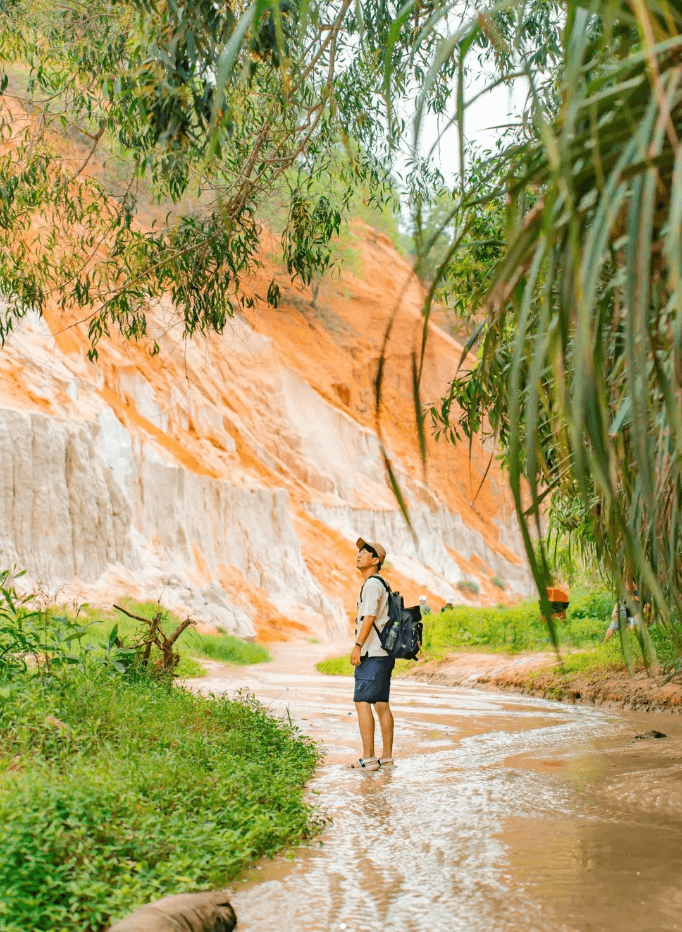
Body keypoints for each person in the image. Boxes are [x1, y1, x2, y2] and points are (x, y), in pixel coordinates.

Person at [348, 537, 395, 771]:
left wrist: (357, 645)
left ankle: (368, 758)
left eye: (365, 552)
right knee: (382, 704)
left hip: (373, 653)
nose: (358, 555)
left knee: (362, 702)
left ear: (375, 560)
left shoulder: (372, 585)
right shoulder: (381, 583)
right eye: (358, 552)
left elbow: (369, 617)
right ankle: (385, 759)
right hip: (384, 654)